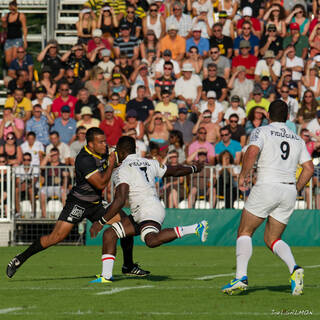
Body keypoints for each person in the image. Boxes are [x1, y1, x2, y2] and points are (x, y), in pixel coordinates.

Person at [6, 128, 149, 279]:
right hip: (78, 204)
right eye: (100, 142)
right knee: (55, 238)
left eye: (105, 141)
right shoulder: (84, 159)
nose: (104, 144)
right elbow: (100, 184)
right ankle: (19, 259)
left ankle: (128, 266)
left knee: (125, 224)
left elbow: (121, 157)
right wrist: (112, 163)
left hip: (96, 204)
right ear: (91, 144)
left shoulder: (105, 150)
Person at [221, 100, 314, 296]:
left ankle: (240, 277)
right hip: (288, 190)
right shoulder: (297, 139)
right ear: (287, 117)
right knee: (272, 238)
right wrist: (295, 188)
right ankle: (294, 269)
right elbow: (309, 168)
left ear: (268, 116)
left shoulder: (262, 131)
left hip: (267, 186)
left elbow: (252, 151)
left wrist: (244, 175)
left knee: (245, 231)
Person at [89, 135, 208, 283]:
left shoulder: (122, 170)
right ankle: (106, 277)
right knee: (110, 234)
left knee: (151, 241)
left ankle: (195, 228)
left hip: (147, 210)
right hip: (146, 208)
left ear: (120, 151)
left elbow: (120, 200)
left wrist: (100, 221)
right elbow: (174, 171)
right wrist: (193, 168)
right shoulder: (149, 162)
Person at [1, 1, 27, 66]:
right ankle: (11, 71)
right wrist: (3, 22)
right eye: (10, 9)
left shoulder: (21, 16)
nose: (12, 11)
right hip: (9, 39)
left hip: (17, 38)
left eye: (13, 9)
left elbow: (24, 28)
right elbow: (5, 27)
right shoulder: (7, 15)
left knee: (14, 58)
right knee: (8, 60)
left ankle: (14, 72)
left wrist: (25, 40)